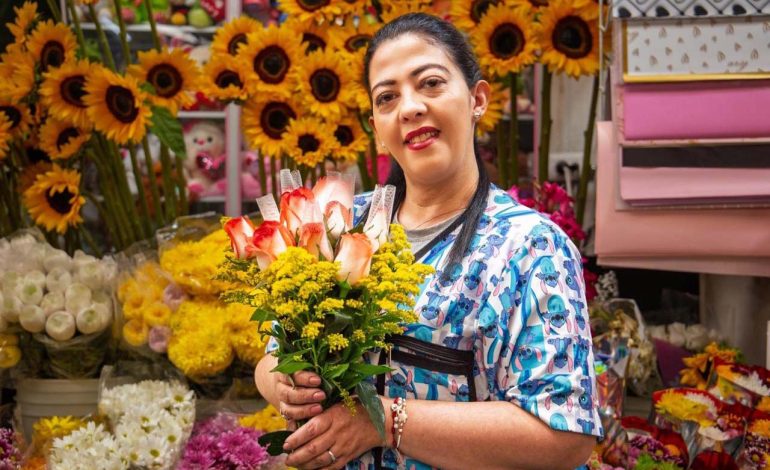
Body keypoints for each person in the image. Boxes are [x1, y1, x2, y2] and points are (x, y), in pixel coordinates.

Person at [254, 12, 603, 470]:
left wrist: (384, 421)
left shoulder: (531, 248)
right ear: (377, 127)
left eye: (431, 83)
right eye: (387, 97)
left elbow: (566, 436)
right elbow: (274, 353)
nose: (410, 107)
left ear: (477, 99)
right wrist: (281, 383)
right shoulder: (339, 224)